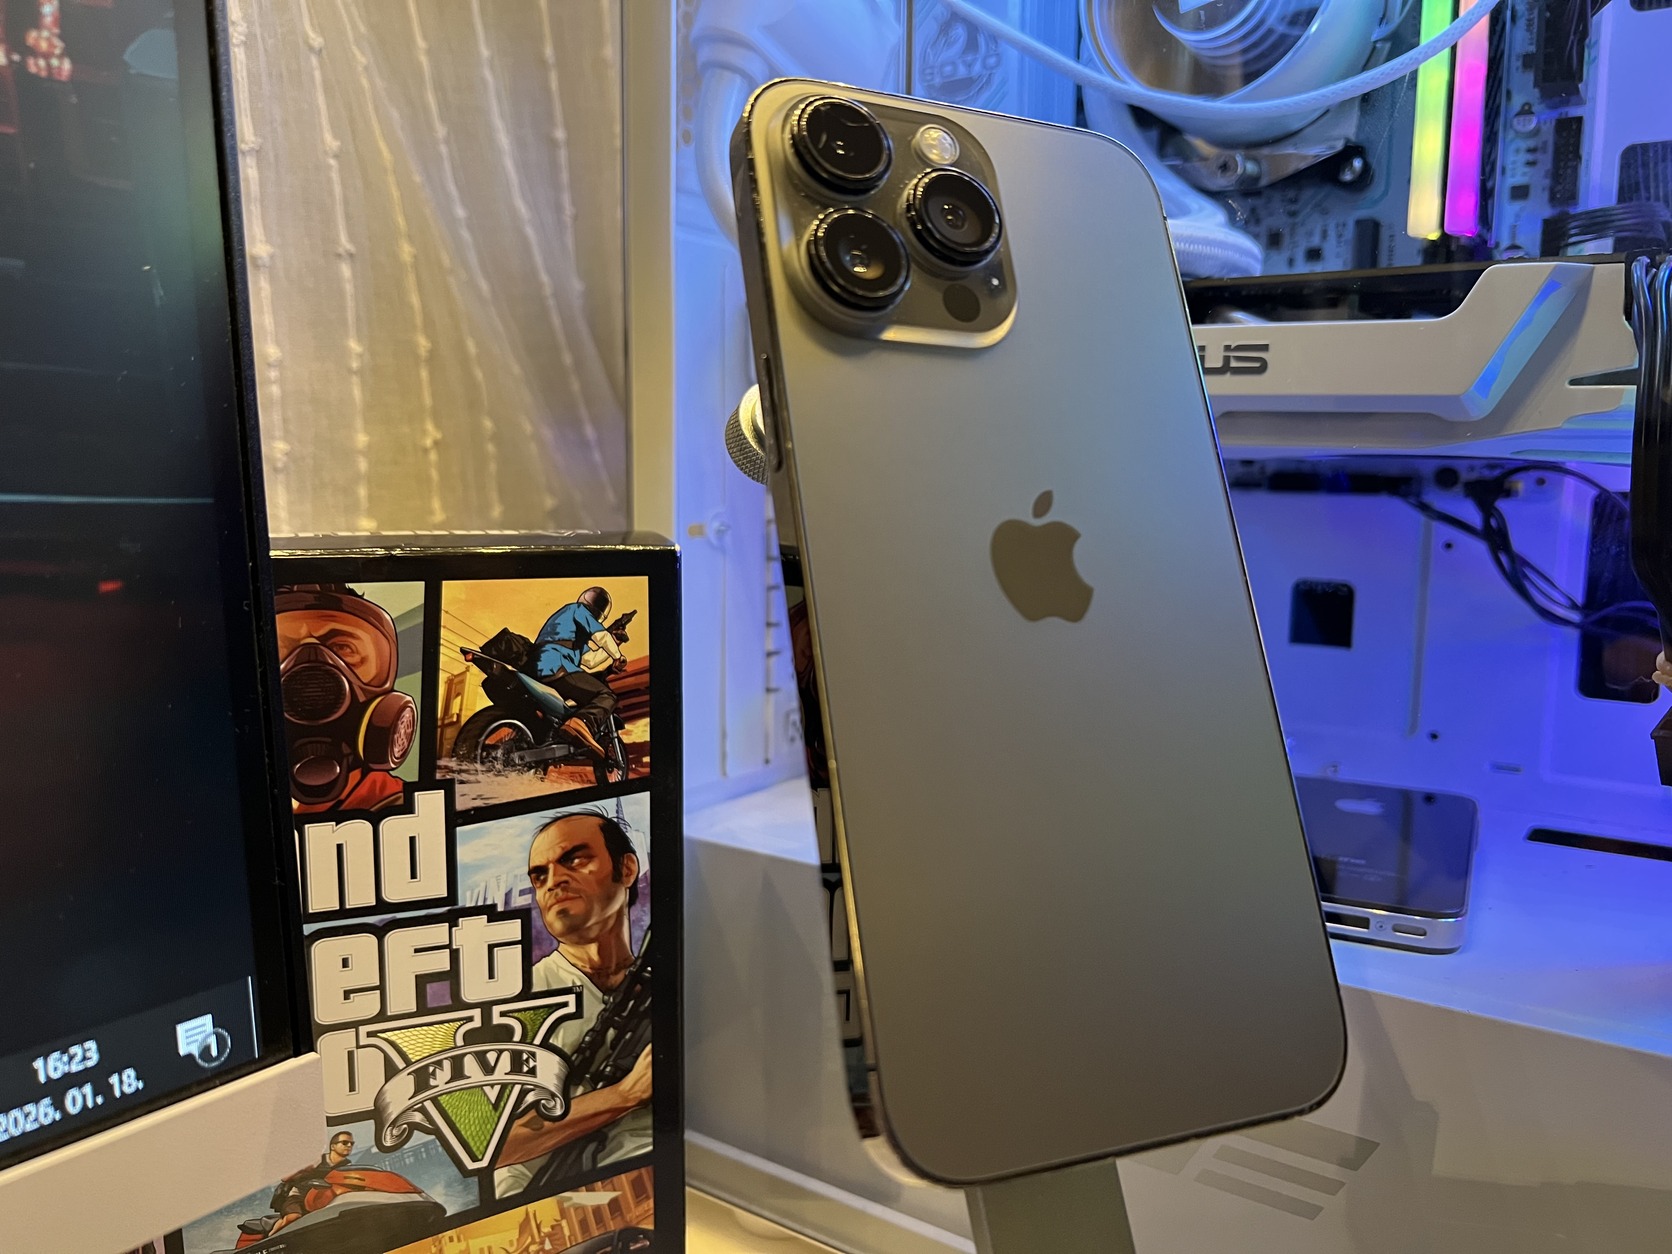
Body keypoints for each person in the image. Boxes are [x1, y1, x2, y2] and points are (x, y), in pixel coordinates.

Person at [494, 811, 651, 1197]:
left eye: (575, 859)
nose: (554, 882)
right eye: (539, 876)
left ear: (627, 868)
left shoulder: (657, 981)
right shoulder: (521, 1002)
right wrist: (624, 1095)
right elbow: (492, 1146)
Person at [524, 587, 626, 766]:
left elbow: (591, 660)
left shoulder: (573, 633)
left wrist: (614, 643)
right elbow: (601, 636)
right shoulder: (578, 610)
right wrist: (618, 656)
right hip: (555, 664)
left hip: (540, 666)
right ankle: (580, 724)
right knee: (606, 695)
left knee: (556, 715)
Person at [268, 1131, 356, 1234]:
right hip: (299, 1196)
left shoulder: (347, 1166)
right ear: (333, 1146)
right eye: (345, 1143)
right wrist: (303, 1168)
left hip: (321, 1199)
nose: (349, 1146)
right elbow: (285, 1178)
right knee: (293, 1217)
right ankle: (271, 1236)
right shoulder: (317, 1160)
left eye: (351, 1143)